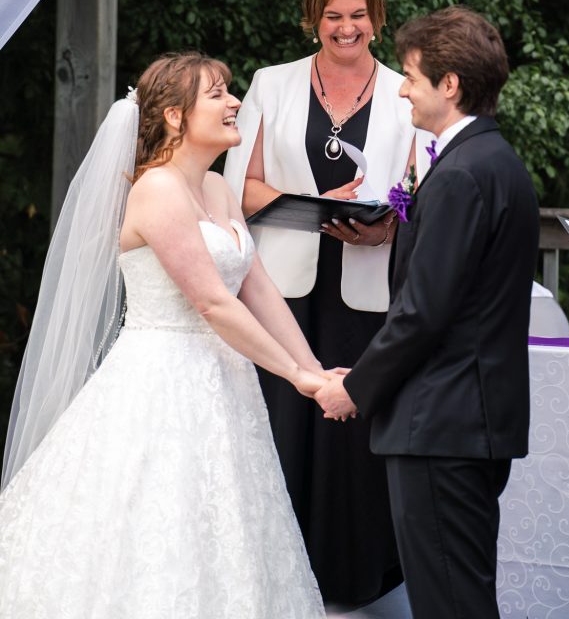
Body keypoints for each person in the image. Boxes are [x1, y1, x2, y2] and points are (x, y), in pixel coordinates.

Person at [0, 52, 327, 619]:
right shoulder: (156, 190)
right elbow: (210, 299)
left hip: (224, 384)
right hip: (159, 383)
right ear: (175, 117)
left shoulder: (222, 193)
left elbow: (259, 290)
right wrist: (296, 377)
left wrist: (315, 369)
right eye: (218, 94)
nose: (233, 103)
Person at [316, 6, 540, 619]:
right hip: (466, 420)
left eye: (412, 76)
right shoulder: (493, 163)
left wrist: (355, 388)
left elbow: (423, 313)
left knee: (450, 603)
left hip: (443, 423)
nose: (402, 87)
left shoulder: (462, 175)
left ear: (450, 85)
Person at [224, 0, 427, 611]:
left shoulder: (404, 94)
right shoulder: (269, 84)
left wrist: (388, 225)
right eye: (334, 15)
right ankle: (278, 579)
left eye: (359, 16)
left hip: (366, 293)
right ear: (314, 17)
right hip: (282, 291)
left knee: (354, 445)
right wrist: (306, 204)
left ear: (376, 16)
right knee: (283, 431)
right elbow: (240, 186)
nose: (347, 28)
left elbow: (418, 192)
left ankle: (353, 587)